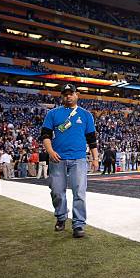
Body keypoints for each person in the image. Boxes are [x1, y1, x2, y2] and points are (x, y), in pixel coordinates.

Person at [41, 84, 98, 238]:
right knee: (57, 192)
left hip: (79, 159)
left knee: (79, 192)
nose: (68, 96)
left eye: (71, 93)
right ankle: (61, 217)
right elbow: (45, 135)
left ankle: (78, 224)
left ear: (76, 95)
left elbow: (92, 139)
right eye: (65, 94)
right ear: (62, 96)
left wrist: (95, 158)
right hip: (57, 158)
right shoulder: (52, 114)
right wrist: (50, 151)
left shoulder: (86, 115)